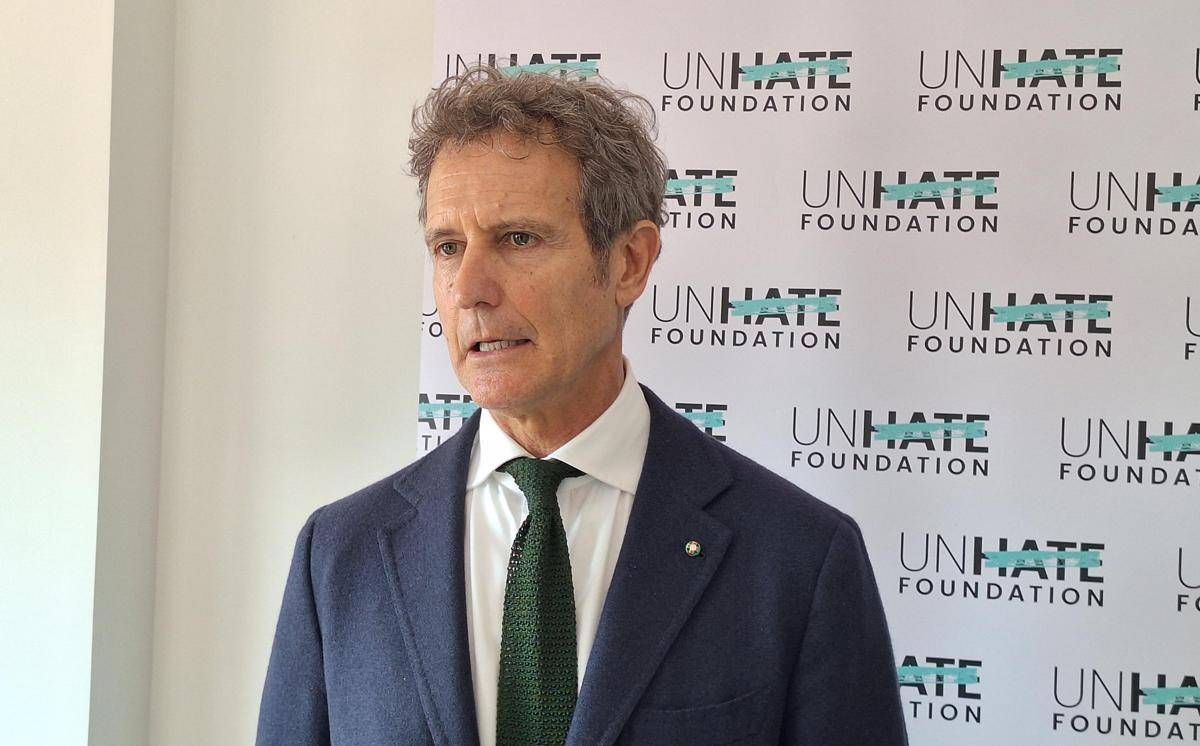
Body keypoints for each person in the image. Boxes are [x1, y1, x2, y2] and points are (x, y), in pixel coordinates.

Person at [257, 66, 907, 746]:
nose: (469, 288)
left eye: (518, 239)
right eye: (448, 247)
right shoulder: (340, 555)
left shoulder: (798, 558)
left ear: (629, 262)